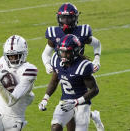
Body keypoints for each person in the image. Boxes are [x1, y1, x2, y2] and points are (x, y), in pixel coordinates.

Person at [41, 3, 104, 131]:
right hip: (65, 69)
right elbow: (46, 54)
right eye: (63, 18)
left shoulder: (83, 34)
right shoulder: (56, 54)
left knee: (79, 101)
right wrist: (48, 65)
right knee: (66, 119)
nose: (66, 21)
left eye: (69, 18)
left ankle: (89, 114)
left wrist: (96, 59)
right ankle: (91, 115)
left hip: (78, 68)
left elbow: (97, 44)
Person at [39, 34, 100, 131]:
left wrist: (76, 101)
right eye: (61, 52)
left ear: (75, 51)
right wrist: (45, 98)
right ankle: (92, 115)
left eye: (67, 52)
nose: (63, 55)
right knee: (55, 128)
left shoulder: (83, 66)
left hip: (82, 102)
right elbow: (54, 81)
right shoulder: (56, 59)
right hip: (66, 100)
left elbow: (94, 89)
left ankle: (93, 115)